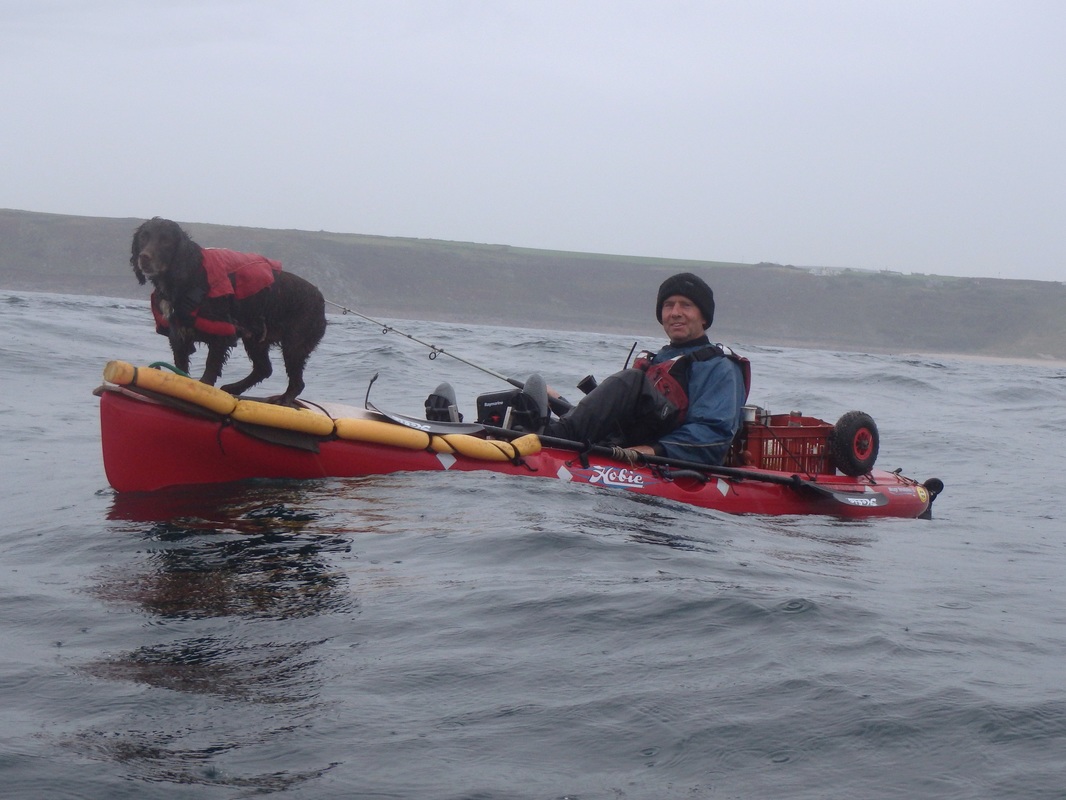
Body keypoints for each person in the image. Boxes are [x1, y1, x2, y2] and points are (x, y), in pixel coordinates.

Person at [534, 272, 749, 467]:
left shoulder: (721, 367)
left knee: (631, 380)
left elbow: (715, 434)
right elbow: (621, 420)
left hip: (674, 463)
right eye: (668, 305)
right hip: (622, 444)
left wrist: (654, 450)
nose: (675, 313)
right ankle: (542, 424)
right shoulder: (656, 359)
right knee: (530, 398)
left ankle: (552, 437)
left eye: (686, 305)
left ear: (704, 317)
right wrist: (559, 402)